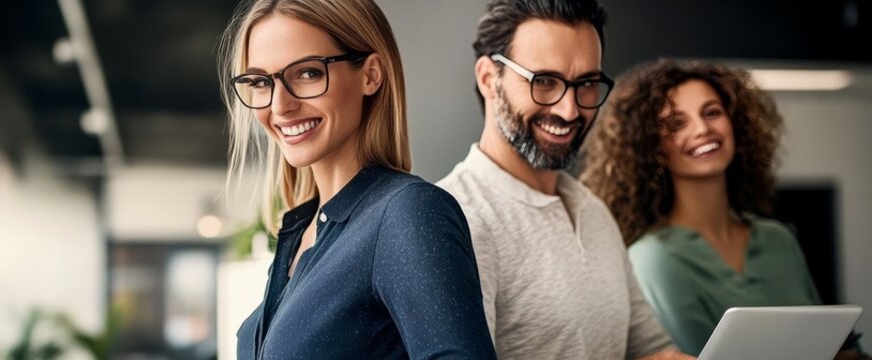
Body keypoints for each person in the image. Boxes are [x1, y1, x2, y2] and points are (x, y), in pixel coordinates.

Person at [218, 0, 496, 358]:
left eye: (307, 73)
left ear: (370, 75)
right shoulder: (300, 233)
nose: (279, 105)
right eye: (259, 81)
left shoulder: (408, 213)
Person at [436, 0, 690, 358]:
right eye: (544, 81)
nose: (569, 110)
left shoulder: (593, 209)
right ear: (489, 79)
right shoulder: (450, 220)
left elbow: (650, 351)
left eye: (586, 83)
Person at [580, 59, 869, 359]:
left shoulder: (778, 240)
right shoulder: (653, 257)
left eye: (712, 112)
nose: (703, 129)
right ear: (652, 148)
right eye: (677, 124)